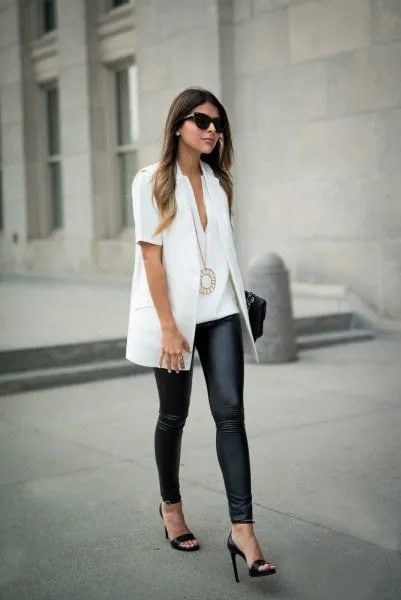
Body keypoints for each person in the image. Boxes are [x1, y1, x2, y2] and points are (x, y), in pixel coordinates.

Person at [126, 87, 277, 582]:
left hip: (220, 314)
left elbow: (219, 252)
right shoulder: (151, 181)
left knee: (230, 414)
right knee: (174, 415)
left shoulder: (218, 182)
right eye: (202, 120)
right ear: (178, 126)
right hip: (176, 320)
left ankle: (244, 530)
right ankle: (171, 507)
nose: (212, 129)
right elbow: (152, 257)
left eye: (218, 123)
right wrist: (169, 327)